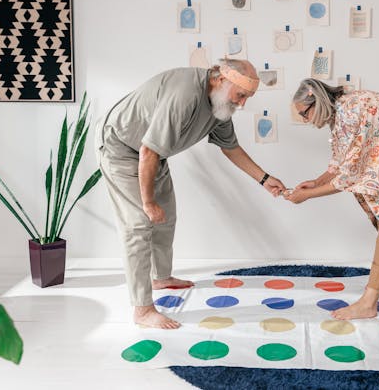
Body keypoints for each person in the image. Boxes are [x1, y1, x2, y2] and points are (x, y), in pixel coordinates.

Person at [96, 59, 286, 329]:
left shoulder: (221, 105)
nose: (242, 103)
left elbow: (230, 148)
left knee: (166, 217)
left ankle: (160, 277)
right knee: (138, 225)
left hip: (152, 154)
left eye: (247, 98)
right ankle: (143, 310)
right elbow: (148, 150)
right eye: (241, 95)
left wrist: (264, 180)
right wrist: (148, 202)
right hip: (122, 149)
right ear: (220, 80)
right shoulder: (185, 95)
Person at [284, 79, 379, 320]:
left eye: (304, 113)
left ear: (316, 100)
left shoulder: (349, 111)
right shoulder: (341, 112)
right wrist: (316, 182)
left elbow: (349, 175)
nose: (305, 120)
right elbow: (341, 162)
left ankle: (369, 303)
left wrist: (307, 195)